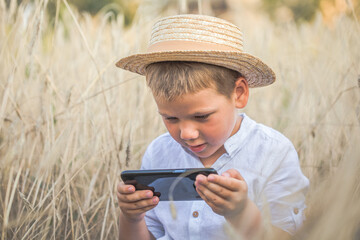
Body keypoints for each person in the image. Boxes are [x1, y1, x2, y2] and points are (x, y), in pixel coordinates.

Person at [115, 14, 309, 240]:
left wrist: (240, 213)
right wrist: (131, 217)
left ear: (238, 94)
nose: (186, 133)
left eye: (202, 116)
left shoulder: (274, 153)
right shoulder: (158, 153)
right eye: (170, 118)